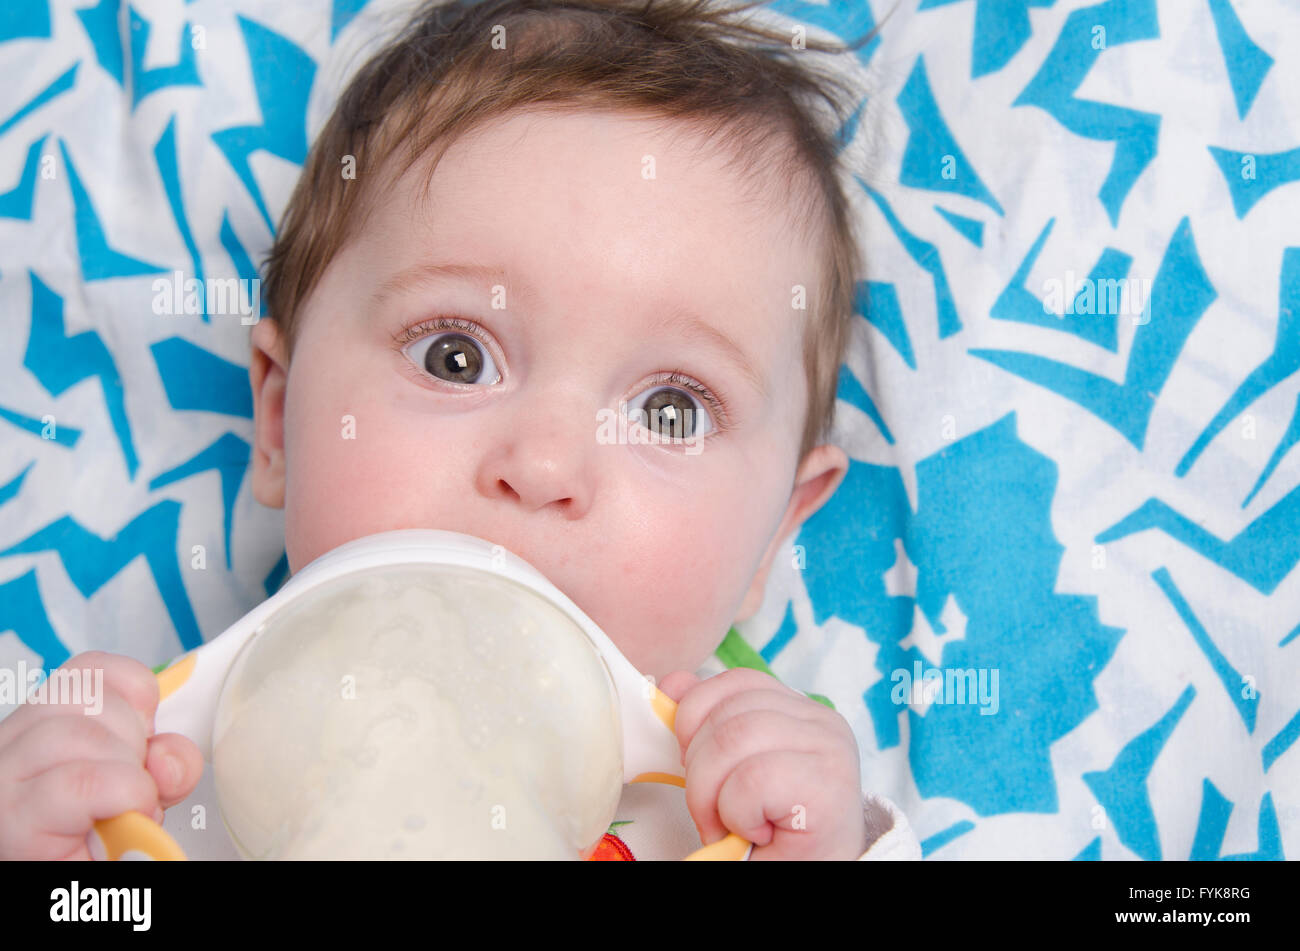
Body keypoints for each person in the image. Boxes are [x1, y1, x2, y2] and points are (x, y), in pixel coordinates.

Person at [0, 0, 919, 861]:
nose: (546, 463)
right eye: (454, 357)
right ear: (279, 418)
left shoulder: (756, 801)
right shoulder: (152, 768)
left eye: (670, 411)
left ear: (776, 531)